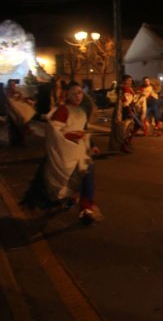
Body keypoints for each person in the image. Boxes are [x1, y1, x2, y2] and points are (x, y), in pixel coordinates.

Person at [20, 82, 102, 224]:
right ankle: (70, 200)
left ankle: (86, 208)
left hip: (81, 152)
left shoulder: (82, 111)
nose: (78, 95)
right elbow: (53, 130)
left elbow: (83, 130)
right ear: (69, 95)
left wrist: (91, 145)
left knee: (87, 173)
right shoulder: (63, 110)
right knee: (69, 180)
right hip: (66, 151)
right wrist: (69, 137)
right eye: (75, 93)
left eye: (80, 92)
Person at [108, 75, 142, 153]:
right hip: (124, 111)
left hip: (130, 109)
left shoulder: (129, 88)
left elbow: (132, 99)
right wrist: (127, 110)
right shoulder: (122, 89)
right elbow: (123, 101)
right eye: (128, 80)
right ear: (124, 81)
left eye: (131, 80)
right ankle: (124, 144)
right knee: (124, 129)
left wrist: (138, 96)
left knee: (135, 125)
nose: (130, 82)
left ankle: (127, 142)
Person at [4, 79, 35, 146]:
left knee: (20, 123)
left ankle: (21, 140)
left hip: (18, 110)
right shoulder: (8, 92)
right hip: (13, 111)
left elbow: (22, 98)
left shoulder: (16, 92)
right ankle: (15, 141)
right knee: (14, 127)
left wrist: (22, 98)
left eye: (14, 84)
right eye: (12, 84)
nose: (14, 85)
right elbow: (9, 101)